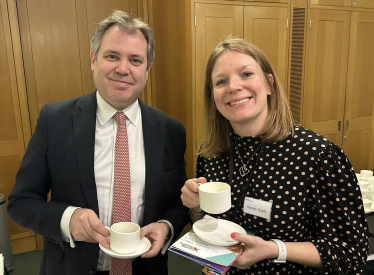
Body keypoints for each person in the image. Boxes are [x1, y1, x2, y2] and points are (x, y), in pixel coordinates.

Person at [7, 10, 189, 275]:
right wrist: (68, 219)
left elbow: (178, 203)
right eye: (112, 56)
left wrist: (166, 226)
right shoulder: (54, 121)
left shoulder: (172, 130)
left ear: (147, 69)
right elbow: (20, 202)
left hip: (146, 269)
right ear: (94, 59)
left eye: (135, 60)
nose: (123, 68)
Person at [181, 37, 369, 275]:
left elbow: (351, 251)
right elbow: (206, 224)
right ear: (213, 96)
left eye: (246, 74)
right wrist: (195, 207)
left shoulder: (317, 155)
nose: (233, 87)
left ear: (269, 84)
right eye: (221, 81)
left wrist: (274, 249)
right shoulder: (211, 153)